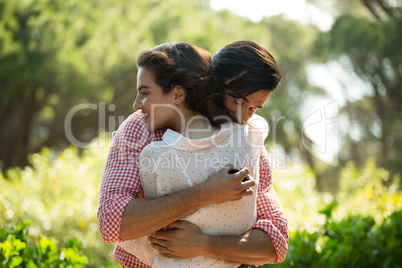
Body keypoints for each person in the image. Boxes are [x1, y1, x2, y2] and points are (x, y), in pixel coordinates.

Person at [98, 40, 288, 268]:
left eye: (252, 109)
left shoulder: (246, 140)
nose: (242, 117)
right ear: (213, 84)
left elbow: (275, 241)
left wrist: (205, 244)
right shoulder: (140, 129)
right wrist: (204, 193)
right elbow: (111, 222)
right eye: (237, 101)